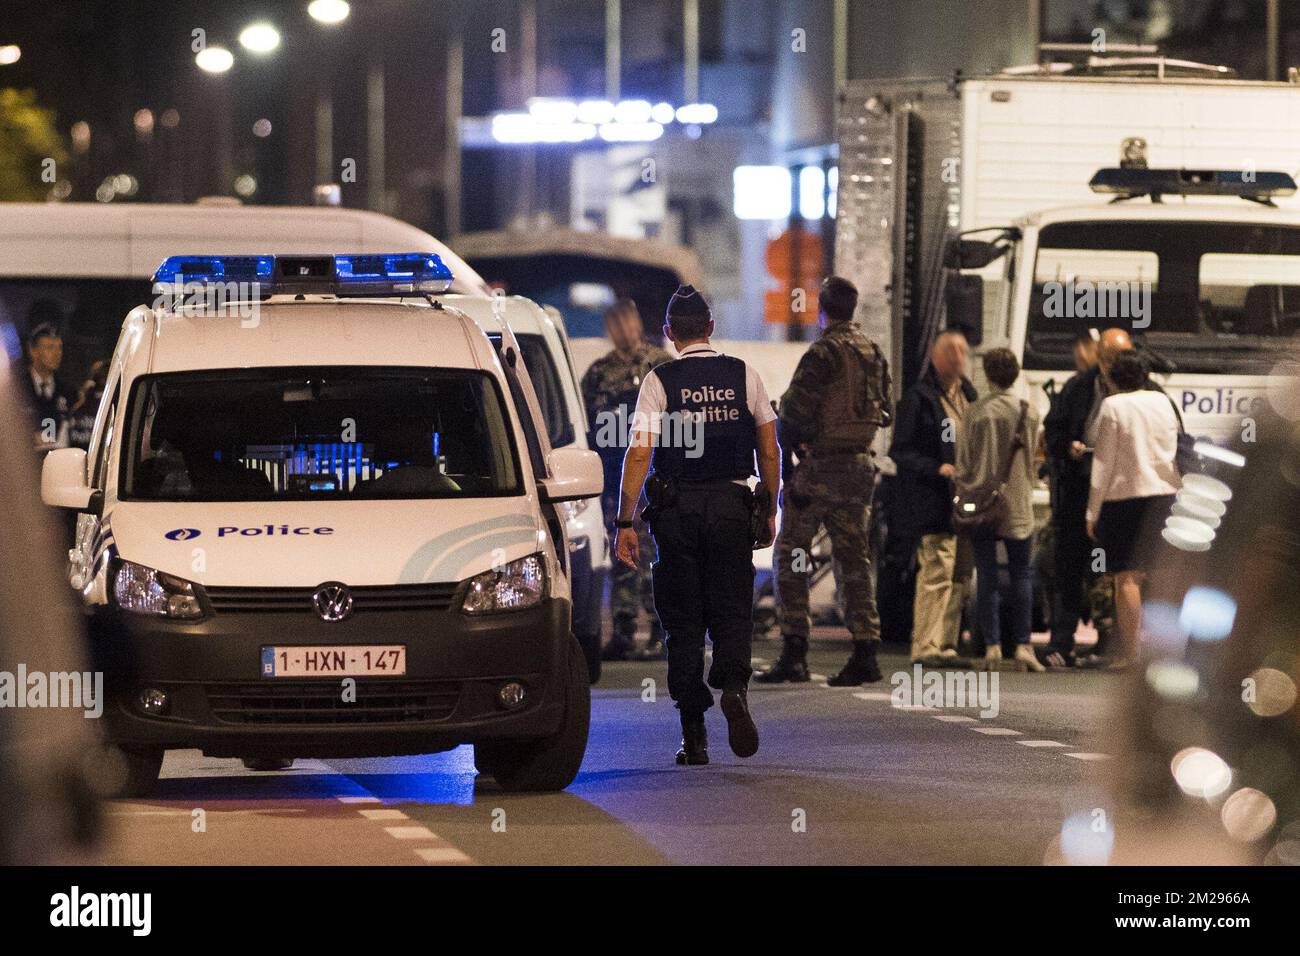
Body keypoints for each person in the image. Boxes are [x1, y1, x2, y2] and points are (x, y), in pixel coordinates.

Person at [613, 285, 780, 765]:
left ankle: (695, 735)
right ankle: (734, 689)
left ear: (668, 333)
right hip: (732, 506)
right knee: (731, 608)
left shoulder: (658, 381)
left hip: (677, 512)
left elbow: (641, 451)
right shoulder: (744, 376)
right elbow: (769, 449)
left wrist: (625, 520)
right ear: (710, 328)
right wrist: (768, 508)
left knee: (683, 620)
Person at [758, 276, 891, 686]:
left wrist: (792, 446)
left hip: (820, 471)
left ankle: (795, 650)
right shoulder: (873, 352)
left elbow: (794, 412)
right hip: (859, 468)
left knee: (791, 554)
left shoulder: (824, 352)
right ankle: (865, 650)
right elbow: (884, 409)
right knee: (854, 559)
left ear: (823, 310)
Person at [1041, 327, 1163, 667]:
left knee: (1124, 574)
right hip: (1082, 486)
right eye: (1107, 358)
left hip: (1121, 493)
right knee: (1072, 565)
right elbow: (1054, 430)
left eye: (1118, 359)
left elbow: (1112, 460)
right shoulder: (1079, 388)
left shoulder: (1142, 396)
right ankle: (1063, 643)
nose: (1111, 366)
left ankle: (1118, 644)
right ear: (1098, 356)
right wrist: (1068, 448)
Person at [580, 299, 673, 661]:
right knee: (624, 553)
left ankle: (661, 627)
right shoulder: (599, 372)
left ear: (635, 323)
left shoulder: (660, 364)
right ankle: (623, 628)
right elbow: (589, 426)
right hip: (618, 472)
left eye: (626, 322)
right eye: (616, 324)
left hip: (655, 473)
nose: (623, 330)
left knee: (654, 554)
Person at [1086, 350, 1180, 668]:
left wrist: (1092, 511)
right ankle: (1168, 651)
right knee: (1164, 574)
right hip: (1165, 494)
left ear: (1114, 378)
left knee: (1127, 578)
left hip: (1123, 498)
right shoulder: (1163, 402)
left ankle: (1132, 654)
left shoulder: (1113, 406)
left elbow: (1103, 462)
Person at [889, 329, 978, 666]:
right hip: (933, 499)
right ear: (937, 358)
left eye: (963, 351)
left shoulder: (969, 395)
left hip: (967, 499)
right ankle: (925, 645)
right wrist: (935, 468)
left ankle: (947, 643)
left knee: (960, 575)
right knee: (937, 570)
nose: (958, 356)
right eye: (951, 350)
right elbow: (901, 451)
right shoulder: (919, 399)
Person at [954, 348, 1044, 671]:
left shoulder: (974, 413)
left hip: (981, 504)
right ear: (1016, 375)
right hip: (1018, 502)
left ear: (989, 376)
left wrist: (966, 485)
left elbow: (963, 463)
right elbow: (1032, 458)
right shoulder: (1029, 412)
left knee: (987, 575)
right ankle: (1022, 646)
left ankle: (992, 646)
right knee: (1022, 575)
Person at [17, 314, 71, 449]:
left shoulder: (68, 392)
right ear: (32, 350)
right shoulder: (16, 390)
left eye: (59, 347)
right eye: (50, 347)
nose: (57, 353)